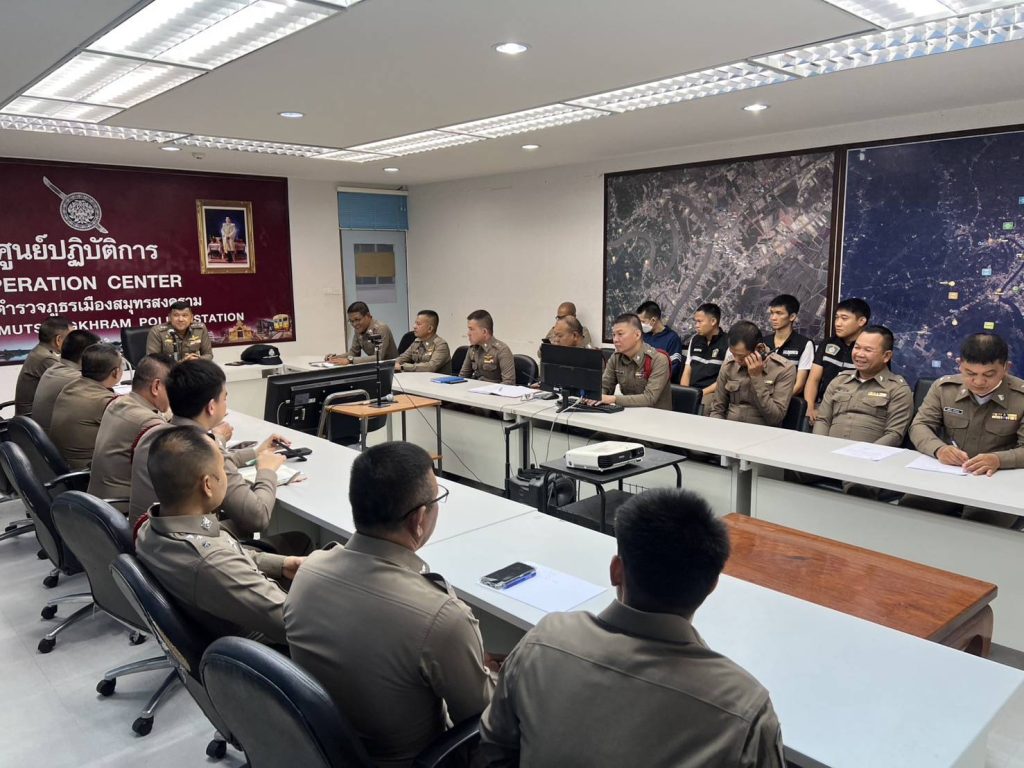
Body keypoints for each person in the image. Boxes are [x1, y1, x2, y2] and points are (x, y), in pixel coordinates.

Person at [477, 488, 785, 768]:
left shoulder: (543, 641)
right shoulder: (745, 708)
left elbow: (494, 749)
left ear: (616, 570)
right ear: (712, 586)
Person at [284, 442, 495, 767]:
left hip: (326, 751)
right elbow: (485, 720)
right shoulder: (441, 616)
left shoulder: (308, 572)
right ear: (419, 519)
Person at [135, 426, 302, 645]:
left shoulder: (152, 527)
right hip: (263, 645)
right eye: (223, 468)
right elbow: (296, 625)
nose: (226, 475)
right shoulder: (212, 562)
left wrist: (282, 564)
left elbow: (228, 553)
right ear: (208, 485)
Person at [130, 360, 310, 555]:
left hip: (151, 542)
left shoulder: (156, 435)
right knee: (297, 539)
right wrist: (267, 472)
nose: (226, 404)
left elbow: (221, 458)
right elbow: (257, 518)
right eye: (224, 398)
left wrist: (256, 453)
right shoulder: (203, 451)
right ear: (211, 407)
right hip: (187, 549)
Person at [904, 333, 1024, 528]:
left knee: (979, 525)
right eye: (970, 373)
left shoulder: (1020, 397)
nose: (978, 382)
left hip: (998, 480)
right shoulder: (944, 388)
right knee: (910, 511)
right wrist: (939, 449)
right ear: (960, 364)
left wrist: (999, 460)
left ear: (1006, 368)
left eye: (989, 375)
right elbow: (920, 425)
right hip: (949, 474)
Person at [812, 326, 913, 496]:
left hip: (867, 462)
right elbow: (823, 419)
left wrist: (863, 456)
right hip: (827, 455)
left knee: (859, 488)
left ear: (886, 356)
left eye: (868, 350)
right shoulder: (839, 381)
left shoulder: (897, 389)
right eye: (857, 347)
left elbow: (894, 434)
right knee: (783, 471)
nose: (859, 354)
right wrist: (822, 448)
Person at [87, 354, 174, 508]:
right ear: (156, 387)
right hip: (123, 507)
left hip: (99, 504)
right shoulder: (149, 423)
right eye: (172, 388)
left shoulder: (117, 402)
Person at [707, 320, 795, 427]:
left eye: (741, 357)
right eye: (733, 354)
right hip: (729, 427)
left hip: (762, 430)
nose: (736, 360)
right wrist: (717, 428)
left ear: (760, 349)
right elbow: (717, 409)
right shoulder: (729, 365)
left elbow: (775, 418)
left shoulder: (784, 369)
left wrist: (757, 377)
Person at [49, 343, 123, 470]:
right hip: (88, 471)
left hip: (63, 466)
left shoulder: (70, 387)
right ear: (116, 372)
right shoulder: (106, 402)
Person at [804, 298, 871, 425]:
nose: (838, 323)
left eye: (844, 318)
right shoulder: (827, 344)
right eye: (836, 318)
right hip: (822, 407)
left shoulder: (870, 350)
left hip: (854, 412)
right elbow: (813, 379)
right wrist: (810, 407)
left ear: (861, 321)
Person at [30, 329, 100, 434]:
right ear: (86, 356)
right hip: (57, 439)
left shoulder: (53, 369)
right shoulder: (77, 379)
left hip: (45, 437)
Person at [598, 313, 672, 409]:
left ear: (637, 335)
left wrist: (613, 399)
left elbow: (649, 398)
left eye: (620, 334)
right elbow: (605, 386)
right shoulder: (616, 358)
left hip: (655, 415)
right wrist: (597, 397)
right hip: (628, 413)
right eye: (613, 335)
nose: (615, 340)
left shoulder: (658, 359)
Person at [14, 316, 72, 415]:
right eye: (71, 338)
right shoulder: (45, 358)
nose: (73, 342)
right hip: (32, 417)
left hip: (33, 414)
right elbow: (73, 383)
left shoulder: (40, 351)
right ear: (58, 339)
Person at [763, 294, 815, 396]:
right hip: (763, 398)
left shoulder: (804, 344)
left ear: (792, 317)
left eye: (779, 313)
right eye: (772, 313)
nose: (773, 318)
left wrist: (779, 402)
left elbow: (799, 385)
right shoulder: (763, 342)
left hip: (788, 400)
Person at [680, 303, 729, 399]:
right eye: (696, 322)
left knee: (704, 403)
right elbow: (687, 370)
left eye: (700, 322)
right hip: (691, 391)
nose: (696, 326)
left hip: (711, 393)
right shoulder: (695, 339)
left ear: (713, 321)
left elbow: (724, 380)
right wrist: (684, 392)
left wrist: (699, 394)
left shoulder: (728, 343)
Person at [327, 301, 397, 365]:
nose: (354, 324)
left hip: (393, 368)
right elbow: (354, 352)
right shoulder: (358, 330)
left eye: (357, 319)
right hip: (375, 367)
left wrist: (350, 360)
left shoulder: (381, 329)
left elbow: (378, 357)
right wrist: (335, 358)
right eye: (351, 321)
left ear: (368, 315)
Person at [459, 309, 515, 384]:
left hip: (494, 390)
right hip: (473, 389)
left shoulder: (501, 350)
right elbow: (463, 377)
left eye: (471, 329)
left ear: (484, 332)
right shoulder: (472, 349)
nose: (468, 333)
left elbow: (509, 383)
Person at [146, 301, 214, 361]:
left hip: (192, 368)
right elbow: (153, 361)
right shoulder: (157, 331)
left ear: (191, 318)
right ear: (169, 317)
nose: (180, 319)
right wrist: (182, 363)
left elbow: (208, 355)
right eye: (176, 315)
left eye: (185, 315)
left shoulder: (200, 329)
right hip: (168, 370)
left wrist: (196, 360)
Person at [637, 300, 684, 381]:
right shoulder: (644, 336)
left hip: (659, 384)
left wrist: (653, 379)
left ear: (653, 320)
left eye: (643, 321)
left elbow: (674, 368)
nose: (640, 324)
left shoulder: (672, 338)